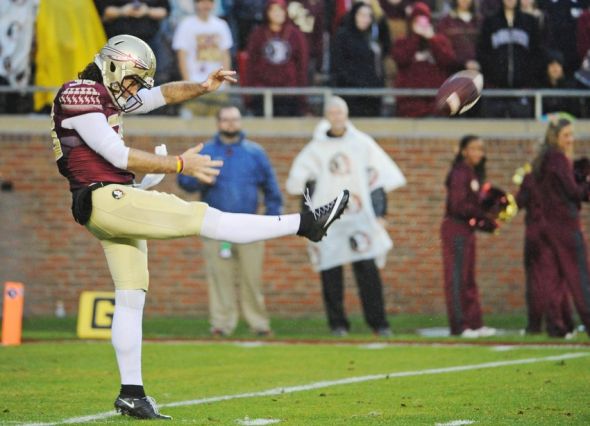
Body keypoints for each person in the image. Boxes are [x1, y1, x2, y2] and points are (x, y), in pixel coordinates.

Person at [50, 34, 349, 419]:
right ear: (113, 65)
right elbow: (117, 153)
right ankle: (306, 223)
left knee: (130, 297)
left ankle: (131, 393)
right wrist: (178, 165)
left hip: (107, 200)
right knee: (207, 218)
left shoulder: (107, 95)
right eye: (132, 80)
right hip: (105, 198)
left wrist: (203, 87)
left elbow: (163, 95)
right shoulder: (80, 93)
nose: (135, 90)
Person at [286, 96, 406, 337]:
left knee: (368, 272)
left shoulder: (362, 144)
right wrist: (309, 220)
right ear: (326, 116)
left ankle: (379, 324)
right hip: (328, 221)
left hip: (360, 217)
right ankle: (338, 325)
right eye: (332, 113)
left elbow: (377, 180)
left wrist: (380, 213)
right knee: (330, 272)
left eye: (340, 112)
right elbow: (305, 184)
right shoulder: (316, 149)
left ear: (346, 115)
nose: (336, 117)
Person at [177, 106, 282, 337]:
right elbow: (185, 184)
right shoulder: (207, 151)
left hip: (250, 227)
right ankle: (222, 324)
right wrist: (198, 177)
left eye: (235, 119)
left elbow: (272, 190)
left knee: (252, 279)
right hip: (216, 227)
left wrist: (270, 221)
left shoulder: (255, 152)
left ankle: (259, 324)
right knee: (219, 279)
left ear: (241, 122)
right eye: (226, 120)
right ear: (218, 123)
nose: (231, 124)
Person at [532, 115, 590, 338]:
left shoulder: (544, 158)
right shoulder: (557, 158)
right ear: (555, 137)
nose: (570, 139)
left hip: (548, 225)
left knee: (554, 278)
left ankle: (556, 327)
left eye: (572, 135)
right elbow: (573, 192)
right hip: (565, 224)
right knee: (580, 276)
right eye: (566, 135)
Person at [440, 135, 497, 338]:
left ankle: (475, 323)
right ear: (464, 150)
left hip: (467, 230)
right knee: (457, 279)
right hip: (456, 229)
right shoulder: (459, 173)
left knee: (469, 278)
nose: (478, 153)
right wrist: (483, 214)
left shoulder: (472, 173)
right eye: (473, 149)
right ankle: (460, 326)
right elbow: (458, 205)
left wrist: (489, 218)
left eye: (481, 149)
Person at [515, 162, 575, 337]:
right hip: (555, 231)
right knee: (556, 280)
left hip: (535, 232)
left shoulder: (530, 176)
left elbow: (519, 202)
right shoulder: (561, 174)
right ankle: (560, 324)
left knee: (538, 280)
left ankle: (537, 325)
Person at [476, 0, 541, 118]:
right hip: (495, 89)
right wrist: (492, 73)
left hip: (522, 89)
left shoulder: (530, 21)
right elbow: (483, 51)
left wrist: (528, 76)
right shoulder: (490, 21)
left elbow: (536, 53)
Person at [244, 0, 309, 117]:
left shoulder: (296, 34)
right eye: (273, 10)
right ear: (267, 13)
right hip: (262, 90)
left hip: (289, 92)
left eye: (280, 10)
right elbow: (251, 65)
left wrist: (302, 95)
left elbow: (302, 65)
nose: (277, 14)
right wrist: (248, 94)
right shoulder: (258, 34)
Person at [391, 2, 456, 117]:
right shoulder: (402, 42)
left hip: (436, 102)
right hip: (410, 102)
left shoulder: (439, 41)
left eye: (424, 22)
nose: (421, 26)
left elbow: (448, 61)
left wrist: (432, 39)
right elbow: (401, 59)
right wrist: (415, 37)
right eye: (417, 22)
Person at [172, 0, 233, 116]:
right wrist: (187, 82)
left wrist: (225, 82)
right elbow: (181, 56)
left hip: (217, 86)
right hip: (194, 84)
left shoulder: (221, 25)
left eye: (209, 2)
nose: (206, 5)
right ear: (195, 4)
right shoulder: (186, 25)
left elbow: (225, 55)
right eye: (202, 2)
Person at [330, 2, 387, 117]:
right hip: (350, 96)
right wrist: (359, 84)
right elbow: (339, 66)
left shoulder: (371, 38)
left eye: (368, 16)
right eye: (361, 15)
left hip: (371, 98)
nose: (365, 19)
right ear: (354, 15)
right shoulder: (343, 36)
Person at [437, 0, 481, 73]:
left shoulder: (479, 21)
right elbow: (442, 49)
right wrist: (463, 63)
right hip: (453, 73)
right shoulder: (446, 22)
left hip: (478, 71)